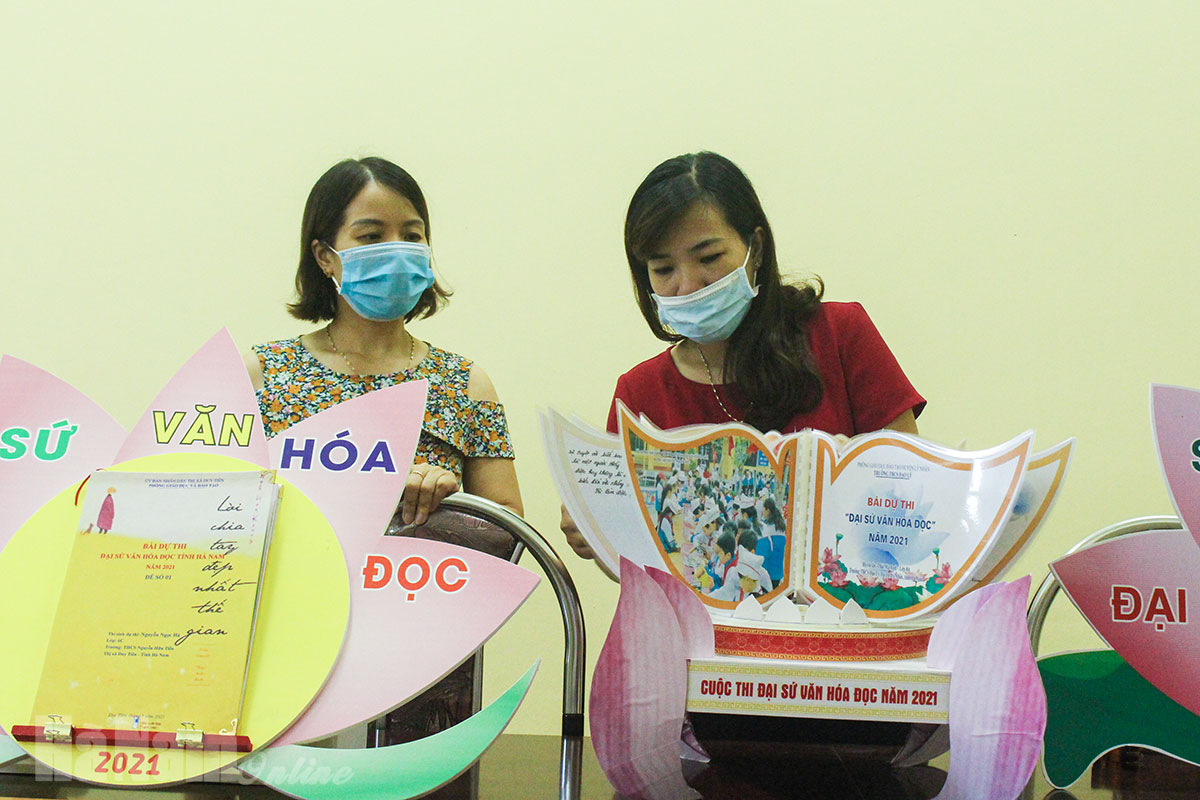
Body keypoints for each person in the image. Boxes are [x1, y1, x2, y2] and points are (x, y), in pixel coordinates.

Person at [562, 150, 923, 560]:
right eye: (663, 269)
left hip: (846, 594)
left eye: (709, 258)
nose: (688, 285)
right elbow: (643, 563)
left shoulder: (840, 334)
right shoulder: (640, 392)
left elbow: (910, 484)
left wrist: (853, 483)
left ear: (757, 248)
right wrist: (597, 534)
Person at [245, 157, 522, 529]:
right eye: (372, 236)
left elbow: (508, 530)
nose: (397, 251)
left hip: (420, 568)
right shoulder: (261, 375)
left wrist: (452, 504)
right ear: (324, 256)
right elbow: (215, 508)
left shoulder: (465, 383)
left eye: (412, 236)